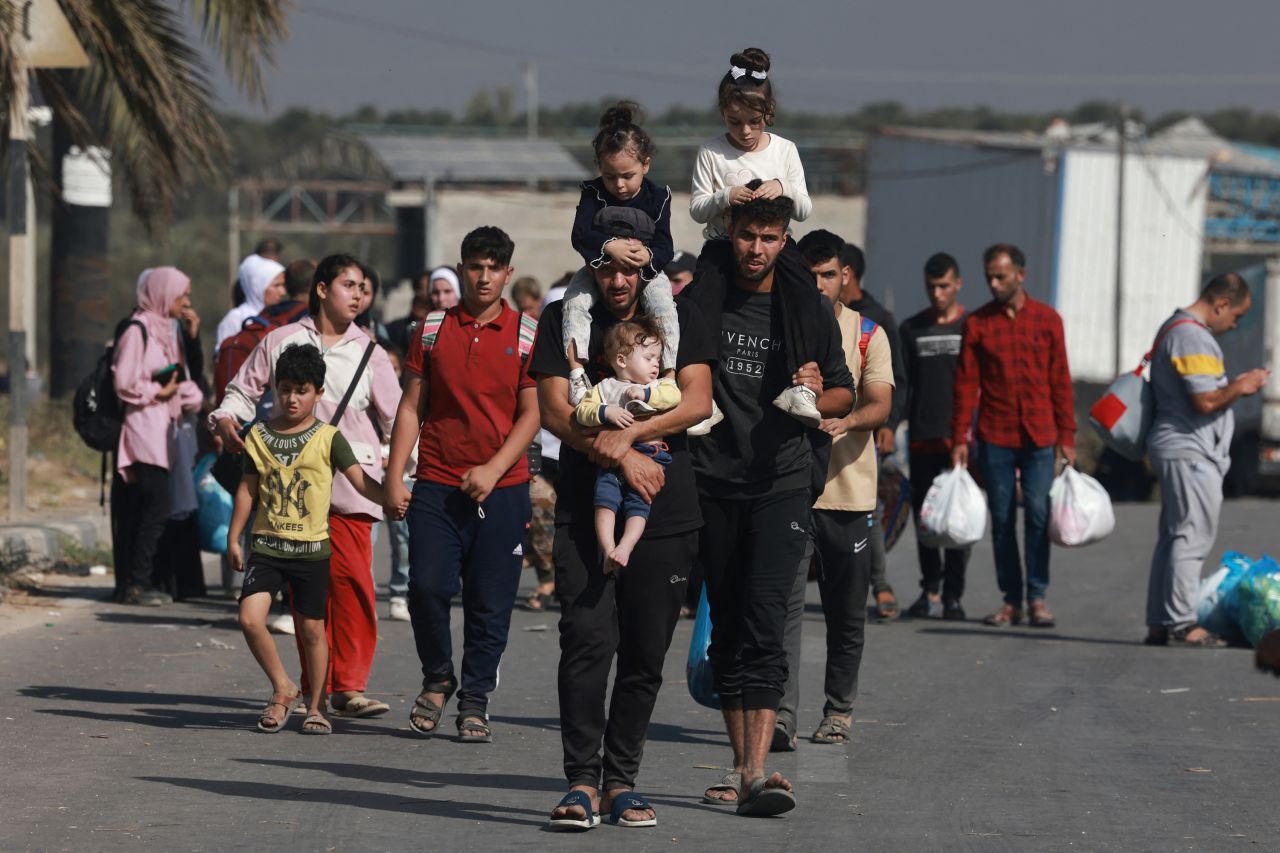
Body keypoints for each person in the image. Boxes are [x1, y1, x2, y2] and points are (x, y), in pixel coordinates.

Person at [530, 208, 715, 829]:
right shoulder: (564, 318)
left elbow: (696, 399)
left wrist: (631, 440)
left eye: (629, 267)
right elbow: (556, 413)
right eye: (605, 267)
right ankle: (582, 781)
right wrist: (617, 452)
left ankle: (622, 783)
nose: (617, 280)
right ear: (593, 266)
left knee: (644, 652)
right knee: (585, 642)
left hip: (667, 510)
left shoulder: (678, 315)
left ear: (648, 264)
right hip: (588, 509)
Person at [686, 192, 853, 816]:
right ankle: (740, 764)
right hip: (712, 479)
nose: (757, 249)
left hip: (781, 482)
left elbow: (841, 393)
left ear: (785, 241)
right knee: (727, 627)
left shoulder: (805, 308)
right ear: (731, 230)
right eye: (748, 235)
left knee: (764, 625)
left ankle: (756, 772)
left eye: (770, 238)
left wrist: (816, 390)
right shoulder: (702, 299)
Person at [211, 254, 401, 719]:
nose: (357, 295)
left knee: (354, 587)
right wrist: (226, 418)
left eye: (363, 288)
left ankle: (349, 687)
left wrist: (401, 478)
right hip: (288, 494)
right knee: (307, 601)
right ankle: (314, 687)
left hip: (353, 488)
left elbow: (397, 421)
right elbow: (242, 390)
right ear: (320, 289)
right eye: (347, 285)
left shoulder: (371, 353)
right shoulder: (281, 341)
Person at [383, 226, 540, 744]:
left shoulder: (526, 334)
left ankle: (475, 699)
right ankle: (437, 677)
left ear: (508, 274)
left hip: (504, 487)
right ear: (462, 269)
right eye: (476, 266)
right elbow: (412, 406)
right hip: (436, 483)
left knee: (489, 602)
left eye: (495, 268)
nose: (485, 276)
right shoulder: (431, 330)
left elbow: (531, 415)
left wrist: (494, 469)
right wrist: (394, 474)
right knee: (426, 586)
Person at [774, 228, 895, 749]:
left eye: (829, 274)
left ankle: (839, 709)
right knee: (783, 611)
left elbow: (879, 403)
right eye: (812, 274)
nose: (820, 284)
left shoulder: (868, 333)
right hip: (788, 491)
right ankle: (779, 715)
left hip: (848, 492)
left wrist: (848, 421)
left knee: (847, 609)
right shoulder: (782, 328)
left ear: (845, 276)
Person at [228, 344, 387, 735]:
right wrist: (235, 538)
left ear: (318, 393)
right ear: (274, 390)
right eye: (284, 389)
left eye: (302, 390)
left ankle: (316, 707)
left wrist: (393, 498)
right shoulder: (259, 435)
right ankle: (283, 687)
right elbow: (248, 489)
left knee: (313, 630)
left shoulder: (329, 438)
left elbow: (360, 480)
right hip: (267, 547)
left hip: (312, 552)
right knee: (250, 618)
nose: (292, 398)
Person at [688, 49, 820, 426]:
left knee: (804, 289)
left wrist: (783, 186)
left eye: (753, 121)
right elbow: (697, 208)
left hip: (778, 245)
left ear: (769, 113)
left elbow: (804, 209)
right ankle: (703, 394)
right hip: (722, 243)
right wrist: (726, 197)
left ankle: (801, 386)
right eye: (734, 122)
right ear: (722, 114)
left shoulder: (785, 150)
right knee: (701, 298)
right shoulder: (711, 152)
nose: (744, 131)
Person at [951, 244, 1076, 628]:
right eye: (989, 276)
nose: (993, 283)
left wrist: (1067, 435)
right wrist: (959, 438)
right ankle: (1012, 601)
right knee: (1002, 519)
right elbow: (965, 385)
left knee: (1037, 513)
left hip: (1040, 435)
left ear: (1020, 275)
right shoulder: (978, 324)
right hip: (995, 435)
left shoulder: (1048, 320)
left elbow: (1060, 379)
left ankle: (1038, 597)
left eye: (1001, 276)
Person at [1144, 273, 1268, 646]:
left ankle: (1161, 622)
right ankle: (1182, 624)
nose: (1235, 324)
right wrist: (1241, 387)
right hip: (1190, 448)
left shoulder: (1177, 328)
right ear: (1220, 305)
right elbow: (1206, 400)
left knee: (1175, 536)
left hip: (1181, 446)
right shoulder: (1192, 335)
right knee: (1191, 537)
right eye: (1237, 316)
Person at [563, 103, 676, 403]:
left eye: (628, 175)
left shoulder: (659, 196)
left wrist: (649, 257)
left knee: (665, 307)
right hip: (597, 269)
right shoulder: (592, 192)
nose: (620, 185)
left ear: (646, 164)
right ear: (600, 168)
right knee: (573, 303)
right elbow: (579, 235)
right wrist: (607, 246)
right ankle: (577, 376)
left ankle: (669, 377)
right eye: (610, 177)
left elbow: (666, 245)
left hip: (646, 274)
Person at [112, 267, 205, 605]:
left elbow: (183, 380)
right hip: (144, 431)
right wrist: (159, 390)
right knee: (156, 508)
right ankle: (137, 583)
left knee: (154, 508)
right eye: (182, 295)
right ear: (164, 294)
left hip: (164, 431)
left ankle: (141, 581)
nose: (187, 302)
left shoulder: (167, 331)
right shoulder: (137, 330)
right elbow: (124, 381)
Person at [833, 239, 908, 619]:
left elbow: (896, 381)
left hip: (867, 430)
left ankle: (879, 584)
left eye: (827, 273)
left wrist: (889, 424)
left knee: (869, 510)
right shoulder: (813, 315)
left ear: (847, 275)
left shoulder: (874, 322)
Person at [574, 318, 681, 573]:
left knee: (639, 503)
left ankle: (626, 546)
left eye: (658, 358)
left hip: (649, 454)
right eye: (649, 357)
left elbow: (674, 396)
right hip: (610, 458)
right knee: (604, 500)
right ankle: (608, 547)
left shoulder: (657, 385)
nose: (656, 363)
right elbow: (582, 412)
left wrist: (646, 394)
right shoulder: (605, 388)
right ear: (621, 360)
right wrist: (605, 412)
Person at [900, 252, 971, 620]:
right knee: (926, 519)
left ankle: (953, 595)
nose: (937, 293)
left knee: (957, 519)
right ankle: (930, 590)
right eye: (931, 287)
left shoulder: (970, 327)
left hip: (960, 441)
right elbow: (903, 385)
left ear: (958, 284)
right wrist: (892, 424)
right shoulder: (912, 329)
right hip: (923, 438)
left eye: (944, 286)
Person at [523, 274, 573, 613]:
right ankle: (546, 578)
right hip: (541, 452)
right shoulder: (532, 350)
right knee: (540, 508)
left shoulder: (595, 345)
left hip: (579, 450)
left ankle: (571, 579)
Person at [216, 254, 286, 349]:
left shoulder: (280, 316)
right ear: (258, 287)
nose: (283, 292)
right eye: (276, 285)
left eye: (283, 285)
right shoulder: (235, 319)